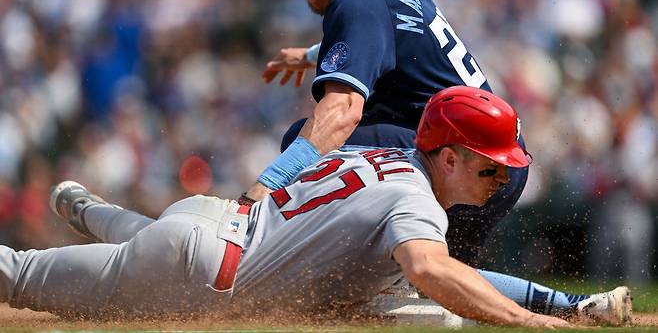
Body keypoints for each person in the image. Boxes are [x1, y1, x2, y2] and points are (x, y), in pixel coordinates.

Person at [0, 87, 629, 326]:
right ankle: (86, 212)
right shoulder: (417, 203)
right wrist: (535, 322)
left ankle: (84, 207)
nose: (500, 178)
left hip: (205, 224)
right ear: (449, 156)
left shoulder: (375, 160)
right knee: (18, 278)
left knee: (138, 243)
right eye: (490, 165)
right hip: (196, 269)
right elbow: (432, 272)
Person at [245, 0, 525, 266]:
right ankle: (582, 308)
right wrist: (312, 54)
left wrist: (262, 190)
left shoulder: (357, 4)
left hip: (465, 161)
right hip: (496, 154)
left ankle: (303, 261)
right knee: (442, 281)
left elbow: (342, 112)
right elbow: (389, 37)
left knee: (304, 139)